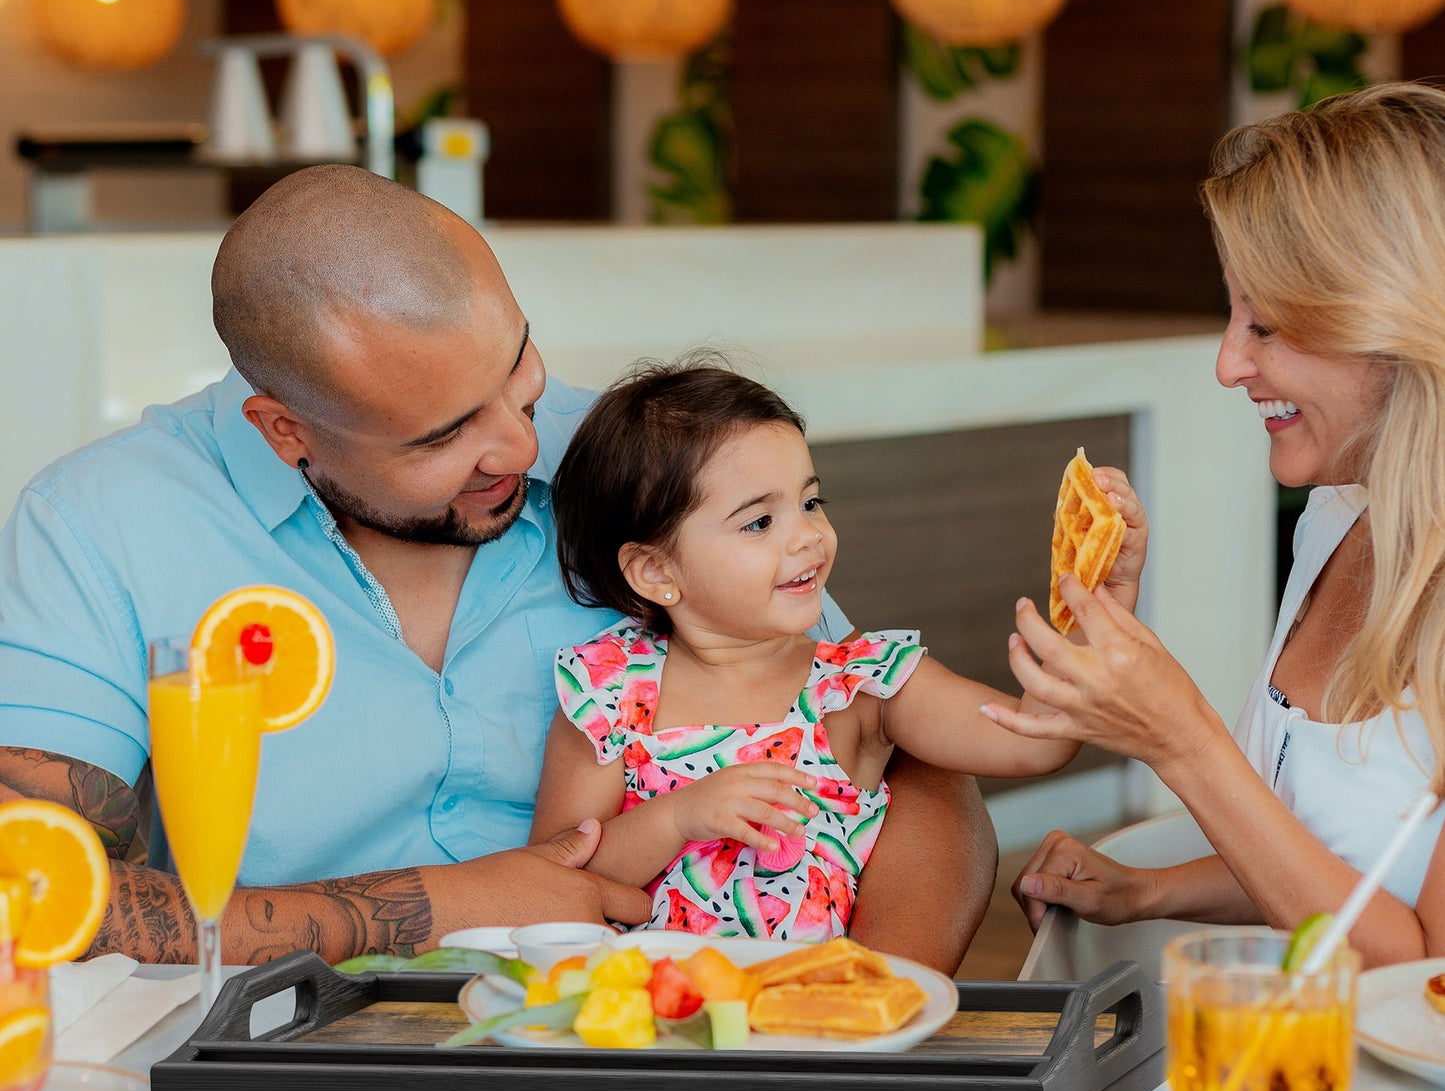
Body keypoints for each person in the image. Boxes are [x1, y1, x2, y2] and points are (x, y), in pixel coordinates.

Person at [0, 165, 996, 972]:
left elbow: (911, 768)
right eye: (444, 435)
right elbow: (29, 887)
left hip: (661, 1054)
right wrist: (441, 903)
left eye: (517, 370)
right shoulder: (100, 524)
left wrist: (852, 1025)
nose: (521, 447)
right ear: (284, 428)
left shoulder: (644, 465)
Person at [989, 82, 1445, 967]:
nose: (1229, 363)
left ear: (1398, 325)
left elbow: (1423, 976)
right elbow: (1342, 860)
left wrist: (1181, 737)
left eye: (1265, 324)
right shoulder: (1333, 524)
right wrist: (1144, 889)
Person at [530, 361, 1146, 941]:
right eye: (758, 523)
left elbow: (1037, 739)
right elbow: (552, 882)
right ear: (655, 570)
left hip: (814, 1033)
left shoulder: (861, 686)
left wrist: (1103, 600)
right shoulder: (608, 692)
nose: (808, 536)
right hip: (635, 1030)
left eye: (810, 502)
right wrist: (677, 819)